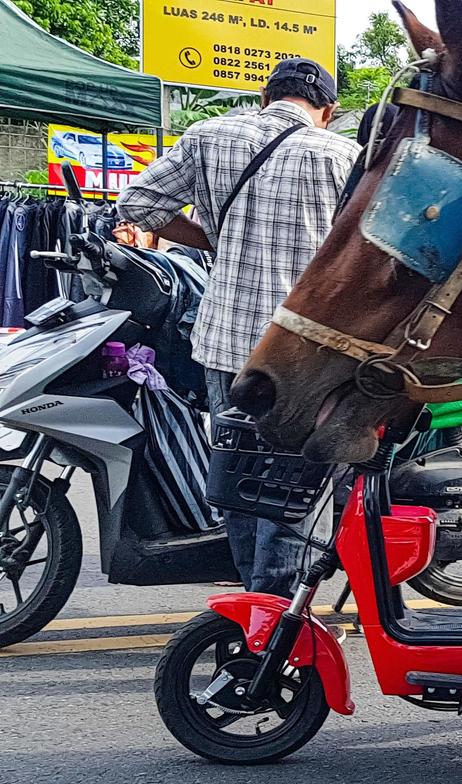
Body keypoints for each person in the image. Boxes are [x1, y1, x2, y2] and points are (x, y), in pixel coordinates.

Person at [120, 58, 358, 595]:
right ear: (328, 109)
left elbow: (137, 202)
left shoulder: (209, 135)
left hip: (225, 343)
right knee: (294, 491)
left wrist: (215, 240)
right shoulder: (343, 155)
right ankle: (277, 618)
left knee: (237, 480)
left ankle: (253, 604)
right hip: (307, 356)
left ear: (265, 94)